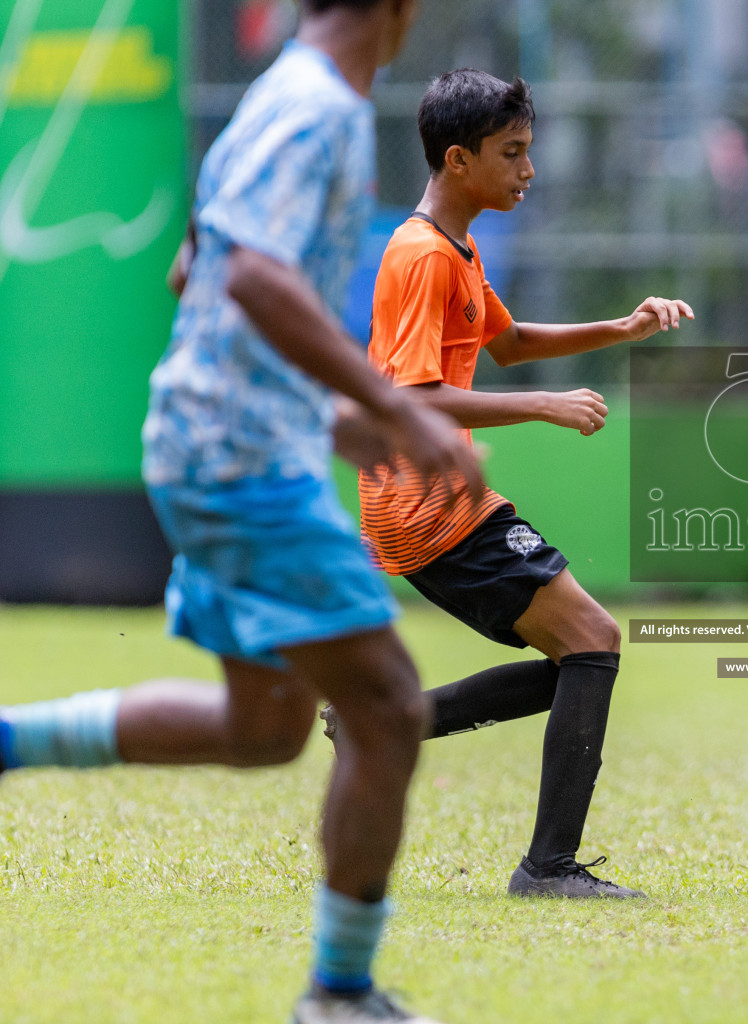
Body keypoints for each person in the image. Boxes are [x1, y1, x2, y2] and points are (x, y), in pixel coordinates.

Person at [0, 3, 479, 1021]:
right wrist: (391, 405)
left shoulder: (275, 99)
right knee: (387, 707)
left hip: (226, 444)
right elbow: (253, 278)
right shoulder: (318, 111)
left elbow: (194, 271)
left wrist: (326, 417)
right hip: (240, 460)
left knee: (265, 728)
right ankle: (340, 994)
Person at [337, 67, 693, 898]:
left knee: (585, 651)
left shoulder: (456, 246)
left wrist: (621, 326)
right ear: (458, 160)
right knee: (593, 641)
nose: (528, 169)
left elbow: (508, 340)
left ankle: (383, 722)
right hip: (427, 502)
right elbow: (414, 395)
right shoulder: (422, 254)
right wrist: (545, 407)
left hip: (433, 499)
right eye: (513, 152)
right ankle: (547, 868)